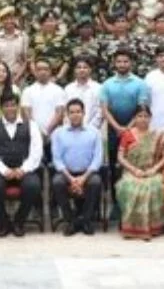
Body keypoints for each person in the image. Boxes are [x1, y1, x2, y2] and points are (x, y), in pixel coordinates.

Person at [0, 92, 43, 237]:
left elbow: (37, 151)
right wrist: (4, 170)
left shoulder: (31, 125)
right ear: (1, 108)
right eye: (6, 106)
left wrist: (23, 169)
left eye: (13, 105)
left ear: (18, 106)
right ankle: (3, 223)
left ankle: (19, 221)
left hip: (24, 168)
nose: (10, 108)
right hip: (1, 169)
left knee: (33, 185)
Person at [100, 50, 151, 203]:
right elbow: (104, 109)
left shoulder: (140, 84)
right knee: (114, 166)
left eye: (125, 61)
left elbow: (141, 109)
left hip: (136, 129)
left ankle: (135, 200)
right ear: (114, 64)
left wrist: (128, 128)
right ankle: (116, 202)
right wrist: (117, 127)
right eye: (119, 61)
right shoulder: (107, 84)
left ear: (131, 63)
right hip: (113, 130)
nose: (122, 64)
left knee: (134, 162)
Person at [115, 104, 164, 240]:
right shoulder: (128, 134)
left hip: (152, 171)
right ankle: (131, 227)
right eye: (140, 116)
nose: (143, 119)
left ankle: (153, 227)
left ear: (150, 118)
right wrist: (134, 170)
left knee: (155, 186)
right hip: (131, 171)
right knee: (130, 187)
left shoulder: (157, 135)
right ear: (134, 118)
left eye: (146, 116)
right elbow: (120, 157)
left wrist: (154, 169)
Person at [51, 98, 104, 236]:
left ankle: (86, 220)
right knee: (57, 182)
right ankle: (71, 221)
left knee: (95, 182)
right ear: (67, 114)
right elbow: (57, 160)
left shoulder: (94, 132)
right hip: (66, 173)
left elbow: (97, 159)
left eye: (78, 112)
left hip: (88, 173)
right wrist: (71, 179)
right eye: (72, 112)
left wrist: (83, 178)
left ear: (84, 113)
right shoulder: (58, 133)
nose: (75, 115)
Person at [21, 60, 67, 163]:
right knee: (35, 166)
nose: (42, 72)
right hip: (33, 136)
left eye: (45, 69)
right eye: (39, 69)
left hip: (54, 136)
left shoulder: (58, 90)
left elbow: (60, 113)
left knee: (54, 165)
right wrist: (38, 133)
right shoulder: (28, 91)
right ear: (35, 72)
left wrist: (47, 132)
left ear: (50, 71)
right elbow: (26, 113)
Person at [64, 57, 103, 131]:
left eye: (85, 67)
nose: (82, 70)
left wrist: (90, 128)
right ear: (74, 70)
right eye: (79, 67)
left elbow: (100, 111)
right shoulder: (68, 89)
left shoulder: (98, 88)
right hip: (71, 130)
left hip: (93, 130)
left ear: (90, 70)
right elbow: (66, 111)